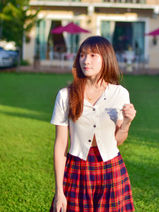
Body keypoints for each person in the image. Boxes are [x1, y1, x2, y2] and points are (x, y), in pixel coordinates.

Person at [50, 36, 137, 212]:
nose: (86, 60)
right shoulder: (65, 96)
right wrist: (59, 191)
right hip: (77, 168)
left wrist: (126, 122)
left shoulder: (119, 94)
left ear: (106, 58)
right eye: (82, 55)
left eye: (92, 55)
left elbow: (118, 140)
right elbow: (60, 145)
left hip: (111, 168)